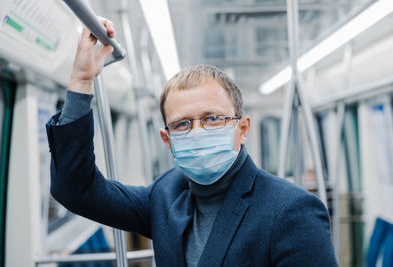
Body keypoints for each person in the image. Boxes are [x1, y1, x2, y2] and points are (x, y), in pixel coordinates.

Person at [46, 18, 337, 267]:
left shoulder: (292, 211)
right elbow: (76, 191)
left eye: (212, 119)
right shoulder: (165, 195)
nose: (198, 132)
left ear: (243, 128)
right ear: (167, 140)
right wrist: (82, 80)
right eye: (183, 124)